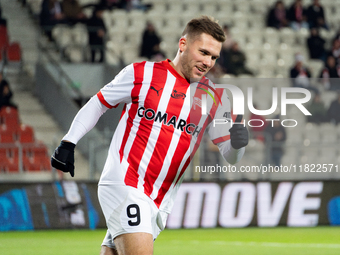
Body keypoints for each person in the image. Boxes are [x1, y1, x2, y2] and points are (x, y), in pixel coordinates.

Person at [51, 16, 249, 255]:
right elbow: (99, 103)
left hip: (159, 200)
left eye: (213, 57)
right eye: (203, 52)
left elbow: (231, 155)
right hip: (126, 183)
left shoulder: (213, 98)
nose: (208, 62)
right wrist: (69, 141)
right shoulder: (143, 73)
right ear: (183, 44)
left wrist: (238, 144)